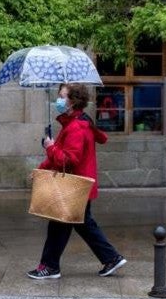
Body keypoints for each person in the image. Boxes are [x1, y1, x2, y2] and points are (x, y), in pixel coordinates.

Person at [27, 83, 127, 280]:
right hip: (78, 186)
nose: (59, 99)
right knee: (79, 224)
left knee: (60, 225)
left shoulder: (76, 127)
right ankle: (111, 258)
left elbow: (68, 159)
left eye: (62, 96)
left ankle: (49, 266)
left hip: (74, 186)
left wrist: (50, 147)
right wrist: (41, 169)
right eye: (59, 95)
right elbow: (61, 155)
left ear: (73, 101)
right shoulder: (75, 123)